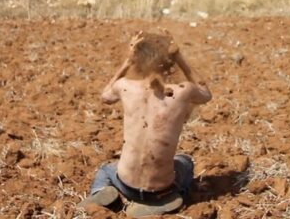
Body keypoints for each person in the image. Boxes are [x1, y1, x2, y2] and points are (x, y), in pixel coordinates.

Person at [79, 30, 212, 217]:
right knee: (186, 162)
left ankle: (101, 191)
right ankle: (170, 198)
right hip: (160, 189)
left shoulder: (125, 86)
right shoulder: (183, 91)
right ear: (169, 61)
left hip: (126, 184)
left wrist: (128, 60)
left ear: (138, 60)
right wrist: (180, 57)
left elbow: (106, 96)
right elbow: (206, 94)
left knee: (105, 171)